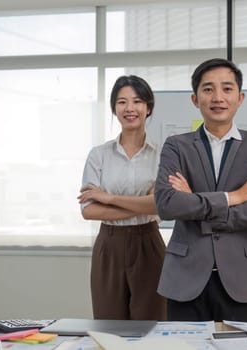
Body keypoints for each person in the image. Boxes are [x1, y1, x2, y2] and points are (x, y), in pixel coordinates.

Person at [154, 58, 247, 322]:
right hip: (185, 278)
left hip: (243, 279)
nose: (218, 97)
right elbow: (167, 205)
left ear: (240, 97)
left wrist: (193, 203)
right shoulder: (176, 146)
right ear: (195, 99)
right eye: (208, 89)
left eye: (227, 89)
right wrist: (235, 197)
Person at [78, 75, 166, 321]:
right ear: (114, 109)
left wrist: (107, 197)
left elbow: (161, 204)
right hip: (109, 244)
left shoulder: (164, 154)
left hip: (149, 242)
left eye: (137, 101)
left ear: (148, 108)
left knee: (152, 322)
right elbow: (89, 211)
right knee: (109, 323)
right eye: (122, 102)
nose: (130, 108)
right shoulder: (99, 155)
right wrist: (144, 204)